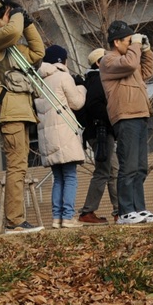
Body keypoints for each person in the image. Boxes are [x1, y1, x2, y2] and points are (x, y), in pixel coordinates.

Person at [0, 0, 46, 234]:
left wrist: (28, 23)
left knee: (20, 166)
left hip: (22, 111)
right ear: (3, 14)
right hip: (10, 111)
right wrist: (16, 17)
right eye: (10, 13)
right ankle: (14, 221)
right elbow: (13, 32)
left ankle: (17, 220)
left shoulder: (11, 48)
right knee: (16, 166)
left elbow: (37, 52)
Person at [99, 20, 153, 225]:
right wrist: (136, 47)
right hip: (125, 116)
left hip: (140, 113)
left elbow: (146, 72)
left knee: (141, 166)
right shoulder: (108, 61)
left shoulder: (128, 60)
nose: (132, 42)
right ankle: (125, 211)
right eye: (128, 40)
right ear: (116, 42)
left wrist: (147, 49)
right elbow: (131, 64)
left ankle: (139, 209)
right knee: (128, 165)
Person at [35, 45, 87, 228]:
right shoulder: (63, 76)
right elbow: (77, 102)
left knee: (58, 178)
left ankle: (57, 218)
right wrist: (81, 87)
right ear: (62, 61)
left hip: (47, 136)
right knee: (71, 176)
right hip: (64, 132)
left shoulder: (38, 80)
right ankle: (68, 217)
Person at [76, 48, 119, 224]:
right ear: (98, 63)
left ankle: (119, 211)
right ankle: (87, 212)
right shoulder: (97, 80)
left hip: (99, 132)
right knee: (103, 171)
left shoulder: (94, 79)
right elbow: (95, 106)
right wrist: (112, 117)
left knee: (113, 170)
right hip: (101, 132)